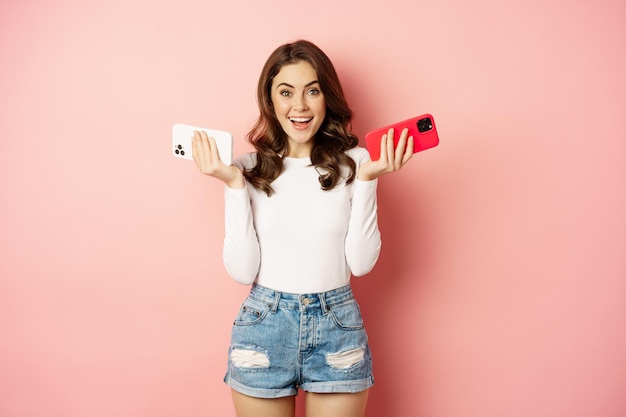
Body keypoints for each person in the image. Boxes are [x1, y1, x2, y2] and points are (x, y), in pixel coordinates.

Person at [191, 40, 414, 417]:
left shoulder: (355, 163)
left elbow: (360, 264)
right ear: (270, 100)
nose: (300, 106)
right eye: (286, 92)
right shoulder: (248, 168)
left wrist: (368, 180)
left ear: (327, 97)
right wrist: (233, 184)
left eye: (312, 91)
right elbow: (243, 271)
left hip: (336, 324)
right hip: (264, 325)